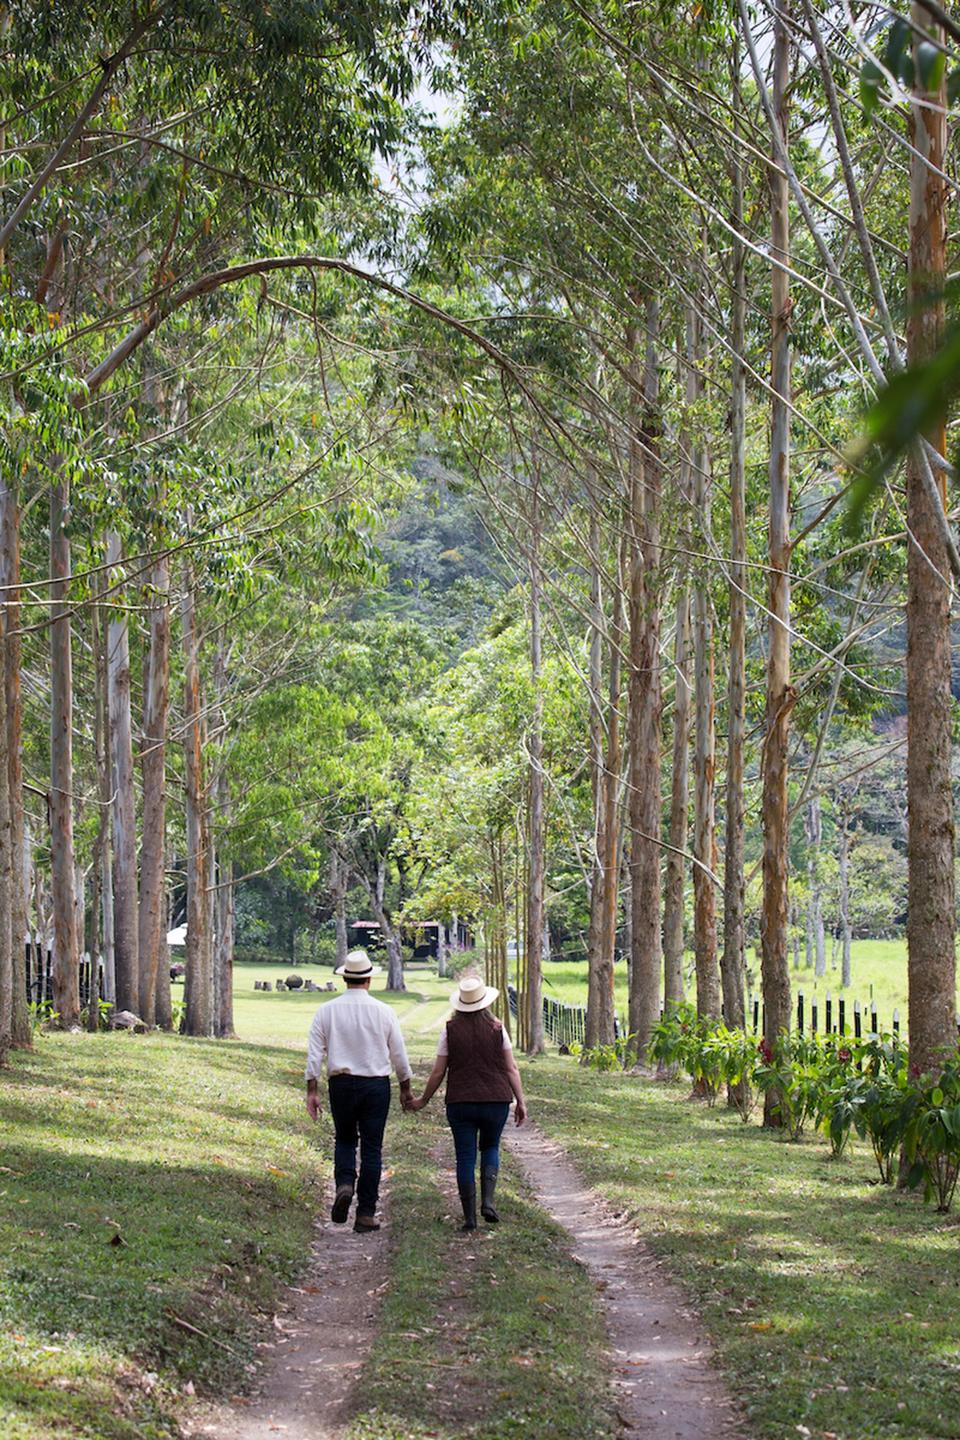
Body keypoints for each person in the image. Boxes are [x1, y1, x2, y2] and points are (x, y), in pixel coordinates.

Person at [305, 949, 413, 1233]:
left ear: (345, 979)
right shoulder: (384, 1011)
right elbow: (399, 1054)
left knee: (344, 1140)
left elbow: (314, 1055)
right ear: (369, 979)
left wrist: (312, 1090)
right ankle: (365, 1213)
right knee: (372, 1148)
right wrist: (405, 1088)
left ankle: (344, 1184)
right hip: (375, 1085)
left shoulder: (326, 1011)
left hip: (341, 1083)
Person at [409, 974, 526, 1232]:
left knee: (465, 1155)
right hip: (496, 1100)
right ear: (485, 1002)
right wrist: (520, 1100)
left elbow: (438, 1072)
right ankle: (488, 1202)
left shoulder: (450, 1030)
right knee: (491, 1147)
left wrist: (423, 1099)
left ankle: (469, 1218)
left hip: (460, 1101)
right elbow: (511, 1068)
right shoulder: (497, 1028)